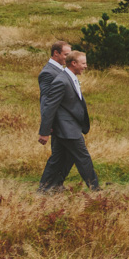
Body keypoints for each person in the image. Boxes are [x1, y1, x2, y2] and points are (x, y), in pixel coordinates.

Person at [38, 50, 99, 192]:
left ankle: (46, 188)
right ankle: (95, 189)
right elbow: (49, 107)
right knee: (83, 158)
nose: (86, 66)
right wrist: (44, 132)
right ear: (74, 63)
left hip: (69, 127)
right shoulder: (61, 81)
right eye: (83, 63)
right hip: (67, 129)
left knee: (58, 159)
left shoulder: (70, 78)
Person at [37, 39, 70, 189]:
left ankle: (55, 184)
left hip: (64, 121)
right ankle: (45, 187)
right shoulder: (48, 73)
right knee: (58, 156)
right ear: (56, 53)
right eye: (66, 54)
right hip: (57, 122)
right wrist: (46, 127)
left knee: (66, 155)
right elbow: (46, 101)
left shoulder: (60, 70)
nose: (68, 58)